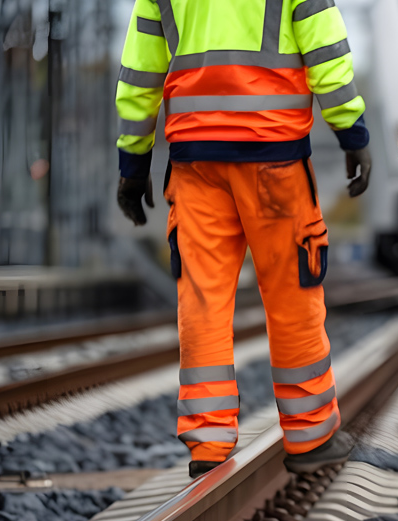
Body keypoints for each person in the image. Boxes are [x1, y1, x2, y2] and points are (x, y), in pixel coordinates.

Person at [114, 0, 371, 478]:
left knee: (203, 298)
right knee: (292, 295)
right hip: (275, 156)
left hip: (195, 164)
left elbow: (140, 73)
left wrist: (133, 163)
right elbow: (326, 54)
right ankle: (311, 434)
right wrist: (352, 134)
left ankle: (208, 441)